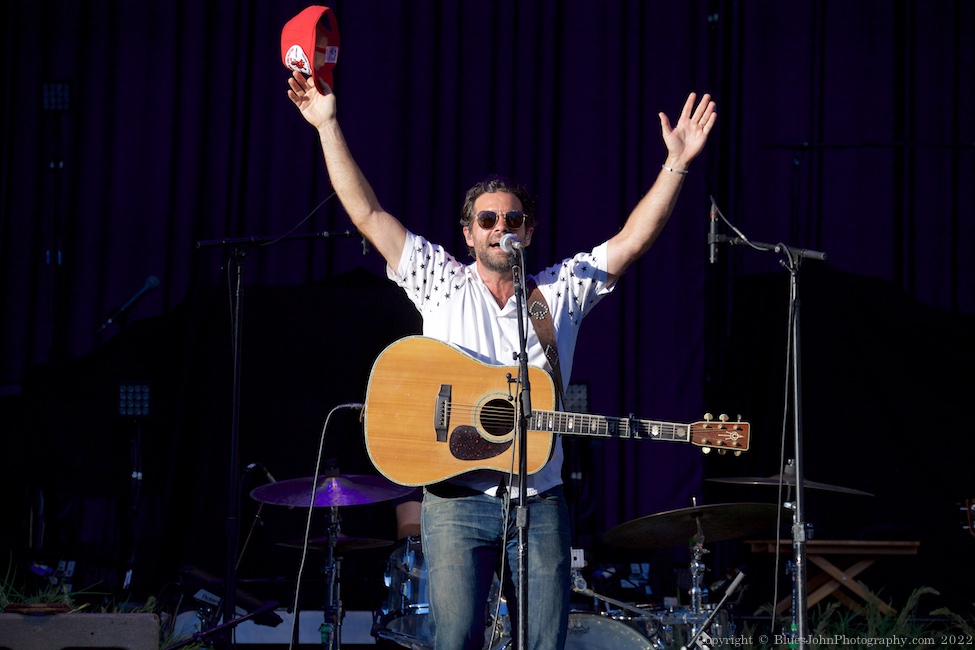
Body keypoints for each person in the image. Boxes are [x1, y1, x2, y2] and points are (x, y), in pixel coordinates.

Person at [287, 69, 716, 650]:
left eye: (512, 221)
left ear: (528, 230)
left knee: (542, 644)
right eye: (487, 221)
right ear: (468, 233)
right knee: (455, 641)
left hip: (539, 505)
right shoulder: (439, 282)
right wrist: (327, 125)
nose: (499, 229)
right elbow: (368, 215)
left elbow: (632, 240)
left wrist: (677, 164)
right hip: (455, 502)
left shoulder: (558, 292)